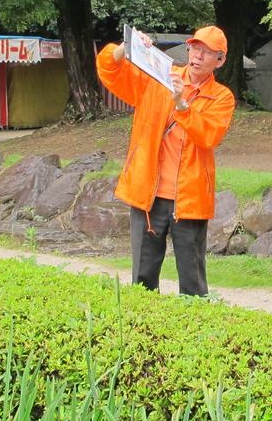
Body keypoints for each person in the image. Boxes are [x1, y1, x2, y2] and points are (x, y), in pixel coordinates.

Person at [96, 26, 235, 296]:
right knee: (142, 279)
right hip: (148, 195)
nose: (197, 56)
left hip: (189, 199)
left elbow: (208, 136)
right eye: (195, 48)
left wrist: (181, 103)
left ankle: (196, 332)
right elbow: (110, 72)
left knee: (192, 283)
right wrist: (129, 47)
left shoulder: (222, 97)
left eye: (206, 53)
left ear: (219, 61)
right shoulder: (160, 77)